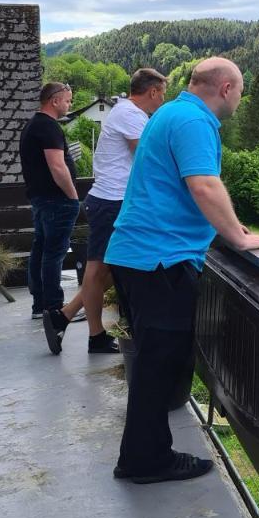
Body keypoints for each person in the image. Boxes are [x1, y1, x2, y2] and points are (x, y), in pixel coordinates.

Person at [105, 57, 259, 484]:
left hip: (140, 255)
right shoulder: (194, 122)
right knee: (156, 365)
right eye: (239, 90)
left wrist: (229, 226)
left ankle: (145, 453)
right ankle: (145, 460)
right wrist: (238, 239)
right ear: (225, 88)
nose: (239, 97)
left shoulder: (171, 112)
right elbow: (203, 185)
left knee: (153, 362)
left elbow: (184, 190)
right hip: (159, 258)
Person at [42, 68, 167, 355]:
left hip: (112, 201)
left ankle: (66, 315)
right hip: (112, 202)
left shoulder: (128, 113)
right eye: (162, 93)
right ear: (152, 92)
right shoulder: (130, 115)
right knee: (100, 269)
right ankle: (94, 334)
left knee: (111, 266)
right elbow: (149, 159)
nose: (163, 99)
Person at [19, 82, 81, 320]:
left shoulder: (32, 125)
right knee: (53, 254)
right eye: (68, 100)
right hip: (57, 201)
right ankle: (54, 308)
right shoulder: (48, 127)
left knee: (41, 249)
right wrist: (73, 196)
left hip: (40, 199)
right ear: (54, 101)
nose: (69, 104)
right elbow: (57, 166)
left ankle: (39, 305)